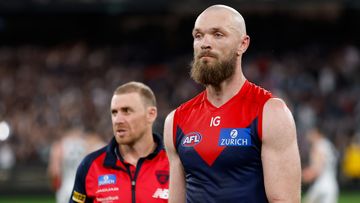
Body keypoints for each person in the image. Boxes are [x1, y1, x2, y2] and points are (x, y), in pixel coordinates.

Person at [163, 4, 301, 202]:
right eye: (198, 35)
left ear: (242, 44)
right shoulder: (175, 121)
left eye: (217, 34)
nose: (205, 43)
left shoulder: (270, 112)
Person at [70, 81, 169, 203]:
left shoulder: (176, 164)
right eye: (114, 112)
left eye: (126, 111)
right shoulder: (90, 165)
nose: (118, 120)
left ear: (151, 114)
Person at [47, 128, 106, 203]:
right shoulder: (90, 144)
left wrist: (56, 187)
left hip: (65, 189)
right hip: (83, 190)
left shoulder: (60, 145)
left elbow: (54, 172)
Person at [302, 127, 339, 203]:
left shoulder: (318, 145)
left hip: (321, 185)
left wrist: (303, 176)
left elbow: (318, 168)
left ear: (317, 133)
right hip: (332, 185)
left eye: (312, 132)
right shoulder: (328, 144)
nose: (309, 135)